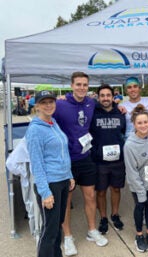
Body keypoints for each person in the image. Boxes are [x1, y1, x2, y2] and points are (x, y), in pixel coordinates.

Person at [53, 72, 108, 256]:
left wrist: (121, 107)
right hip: (66, 161)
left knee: (90, 196)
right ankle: (68, 237)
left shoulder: (91, 102)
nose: (82, 88)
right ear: (71, 85)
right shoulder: (59, 104)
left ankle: (92, 231)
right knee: (66, 201)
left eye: (85, 84)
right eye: (78, 84)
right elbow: (44, 116)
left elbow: (108, 104)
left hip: (85, 158)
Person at [25, 90, 75, 257]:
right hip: (50, 184)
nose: (48, 105)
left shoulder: (53, 122)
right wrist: (45, 193)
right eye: (44, 102)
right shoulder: (35, 130)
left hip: (62, 181)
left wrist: (69, 175)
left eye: (51, 102)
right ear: (37, 105)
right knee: (50, 230)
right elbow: (37, 164)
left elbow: (63, 152)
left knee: (58, 224)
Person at [89, 84, 126, 235]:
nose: (105, 98)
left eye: (108, 95)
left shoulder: (120, 112)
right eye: (102, 95)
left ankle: (115, 214)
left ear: (113, 97)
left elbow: (123, 131)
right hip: (99, 160)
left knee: (116, 188)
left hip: (118, 160)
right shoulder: (93, 112)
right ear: (98, 97)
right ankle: (103, 217)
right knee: (101, 191)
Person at [124, 104, 148, 252]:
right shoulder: (129, 145)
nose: (143, 125)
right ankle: (139, 234)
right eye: (139, 123)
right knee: (140, 206)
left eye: (146, 122)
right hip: (138, 183)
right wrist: (140, 191)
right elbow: (131, 172)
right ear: (134, 124)